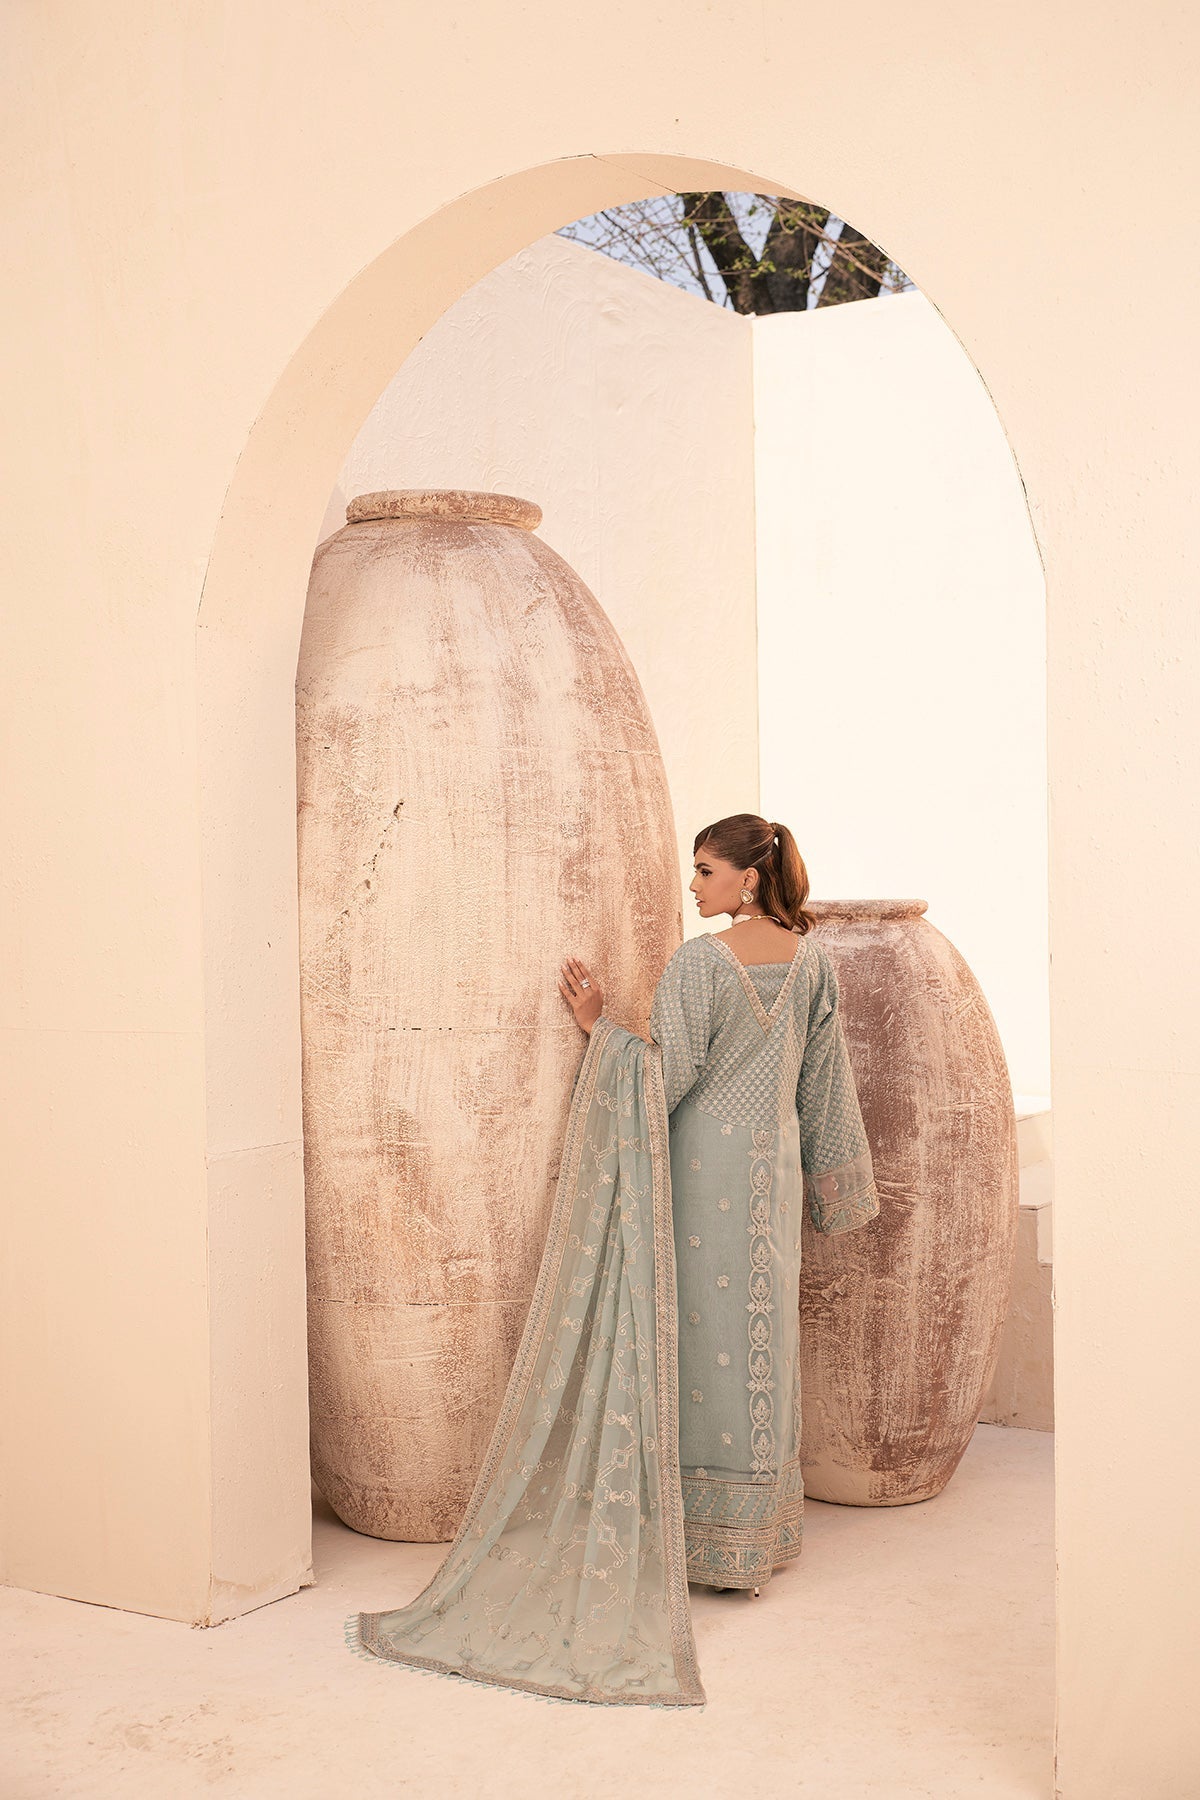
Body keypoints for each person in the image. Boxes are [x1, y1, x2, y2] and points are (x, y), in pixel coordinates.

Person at [344, 814, 880, 1707]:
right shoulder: (813, 962)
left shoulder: (702, 965)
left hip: (702, 1176)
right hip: (774, 1178)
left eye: (704, 871)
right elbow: (826, 1085)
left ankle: (696, 1536)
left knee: (698, 1340)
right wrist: (838, 1193)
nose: (693, 886)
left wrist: (601, 1031)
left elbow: (662, 1080)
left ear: (747, 879)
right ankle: (755, 1540)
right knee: (758, 1341)